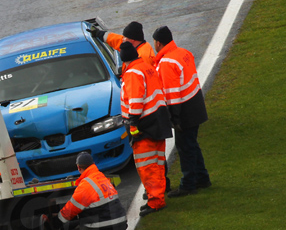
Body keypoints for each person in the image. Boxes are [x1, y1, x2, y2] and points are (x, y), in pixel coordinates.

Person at [152, 26, 211, 197]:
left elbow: (172, 94)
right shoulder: (183, 52)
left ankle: (188, 184)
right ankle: (202, 178)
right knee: (191, 144)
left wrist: (174, 118)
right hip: (195, 102)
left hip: (185, 109)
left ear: (158, 43)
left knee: (185, 147)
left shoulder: (166, 62)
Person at [119, 42, 172, 216]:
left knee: (147, 166)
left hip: (144, 125)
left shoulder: (132, 73)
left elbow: (136, 100)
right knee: (157, 163)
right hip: (157, 120)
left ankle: (155, 201)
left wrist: (133, 123)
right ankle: (157, 197)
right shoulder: (145, 67)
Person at [58, 152, 128, 230]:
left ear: (79, 167)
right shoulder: (102, 177)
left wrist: (57, 219)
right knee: (96, 223)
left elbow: (68, 213)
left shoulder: (85, 185)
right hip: (121, 227)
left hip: (107, 229)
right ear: (93, 164)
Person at [89, 21, 156, 67]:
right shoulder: (137, 44)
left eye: (125, 37)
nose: (122, 39)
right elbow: (116, 39)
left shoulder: (143, 56)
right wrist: (99, 34)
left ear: (132, 40)